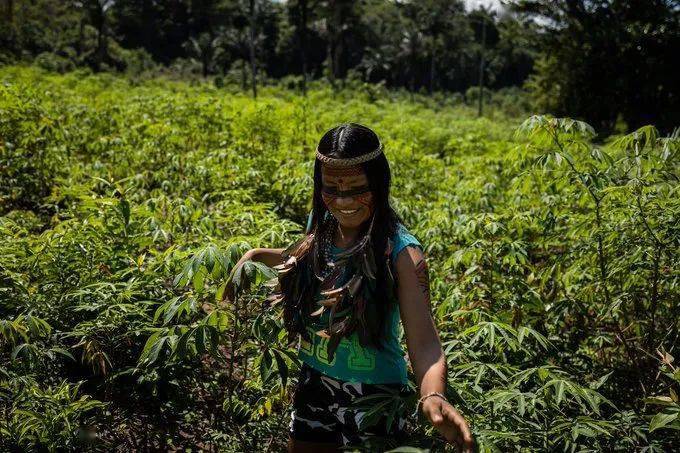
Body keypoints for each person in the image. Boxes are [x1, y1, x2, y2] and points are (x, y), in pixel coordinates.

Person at [226, 123, 474, 452]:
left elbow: (425, 342)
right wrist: (255, 256)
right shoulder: (323, 222)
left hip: (373, 393)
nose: (343, 201)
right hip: (314, 378)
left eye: (357, 188)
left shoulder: (400, 252)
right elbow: (309, 258)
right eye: (331, 188)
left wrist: (432, 395)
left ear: (379, 182)